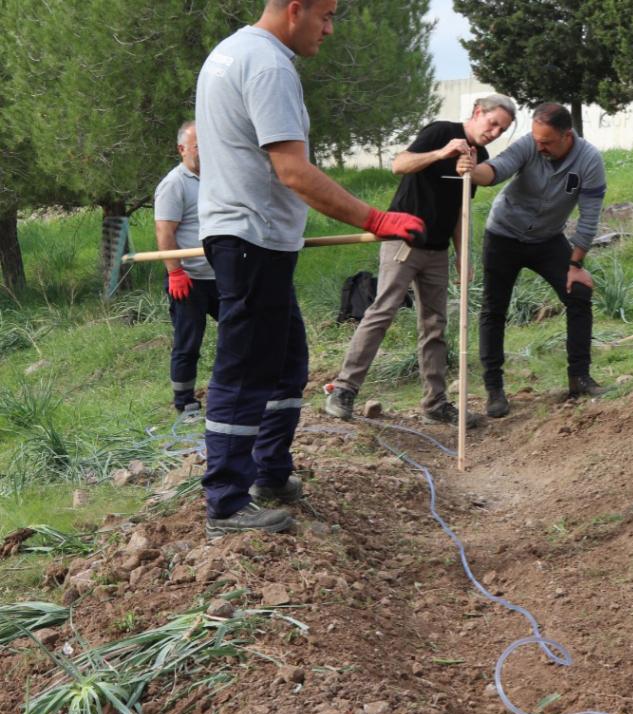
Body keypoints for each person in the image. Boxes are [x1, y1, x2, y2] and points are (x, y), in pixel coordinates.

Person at [196, 0, 425, 537]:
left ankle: (269, 475)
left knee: (286, 363)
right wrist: (377, 218)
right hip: (250, 237)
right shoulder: (269, 64)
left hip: (253, 238)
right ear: (294, 9)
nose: (329, 28)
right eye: (325, 16)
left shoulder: (230, 53)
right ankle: (227, 503)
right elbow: (294, 171)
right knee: (245, 368)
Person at [325, 95, 516, 426]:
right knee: (382, 312)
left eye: (503, 129)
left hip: (438, 250)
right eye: (493, 123)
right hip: (404, 240)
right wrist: (442, 153)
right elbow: (399, 164)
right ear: (476, 112)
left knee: (435, 324)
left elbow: (460, 210)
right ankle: (343, 390)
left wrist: (462, 255)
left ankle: (435, 402)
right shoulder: (441, 131)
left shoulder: (478, 156)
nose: (495, 132)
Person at [456, 102, 607, 418]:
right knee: (494, 309)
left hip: (548, 239)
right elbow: (496, 169)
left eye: (547, 142)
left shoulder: (590, 160)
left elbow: (590, 215)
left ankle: (579, 377)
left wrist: (576, 264)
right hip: (503, 235)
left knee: (578, 294)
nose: (540, 146)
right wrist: (474, 170)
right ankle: (494, 389)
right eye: (536, 139)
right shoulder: (530, 144)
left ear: (567, 136)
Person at [154, 121, 217, 418]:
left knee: (241, 328)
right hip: (189, 279)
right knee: (188, 341)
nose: (204, 152)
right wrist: (175, 272)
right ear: (182, 149)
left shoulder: (217, 178)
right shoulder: (174, 184)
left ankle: (231, 387)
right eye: (197, 146)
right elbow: (165, 231)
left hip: (220, 275)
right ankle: (184, 401)